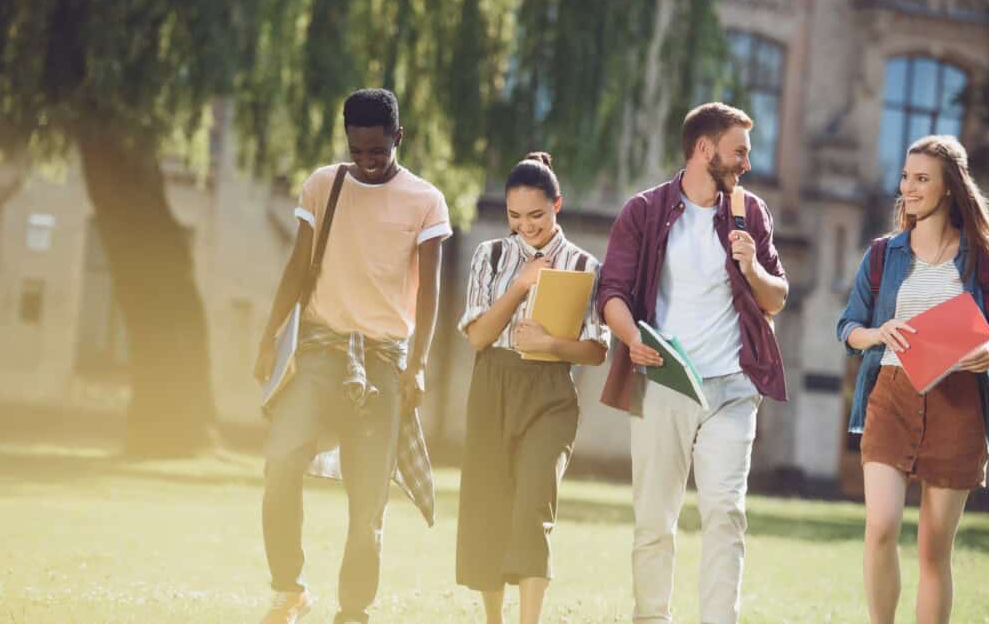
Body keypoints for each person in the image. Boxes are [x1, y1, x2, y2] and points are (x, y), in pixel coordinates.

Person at [254, 88, 452, 624]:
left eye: (378, 152)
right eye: (358, 150)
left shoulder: (426, 200)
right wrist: (270, 335)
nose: (367, 162)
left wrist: (419, 367)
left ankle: (353, 611)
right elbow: (297, 267)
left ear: (398, 137)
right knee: (280, 461)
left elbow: (431, 294)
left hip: (385, 364)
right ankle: (287, 588)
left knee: (367, 503)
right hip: (319, 351)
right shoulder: (324, 184)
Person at [596, 102, 789, 624]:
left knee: (726, 512)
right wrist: (632, 338)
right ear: (705, 149)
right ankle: (652, 617)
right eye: (739, 151)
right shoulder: (646, 211)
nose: (747, 163)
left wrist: (752, 267)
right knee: (655, 518)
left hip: (732, 386)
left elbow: (777, 298)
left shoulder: (750, 214)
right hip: (666, 379)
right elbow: (611, 291)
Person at [836, 135, 989, 624]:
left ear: (948, 188)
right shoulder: (883, 255)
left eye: (922, 179)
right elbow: (847, 328)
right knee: (880, 525)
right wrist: (877, 332)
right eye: (906, 177)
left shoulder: (984, 257)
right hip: (891, 397)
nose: (910, 188)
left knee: (934, 550)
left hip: (958, 404)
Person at [455, 152, 610, 624]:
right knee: (488, 506)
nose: (526, 227)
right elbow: (479, 336)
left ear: (557, 205)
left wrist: (551, 342)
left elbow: (597, 350)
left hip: (550, 392)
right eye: (515, 216)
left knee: (532, 508)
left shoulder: (585, 265)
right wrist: (521, 286)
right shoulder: (490, 255)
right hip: (492, 384)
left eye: (537, 216)